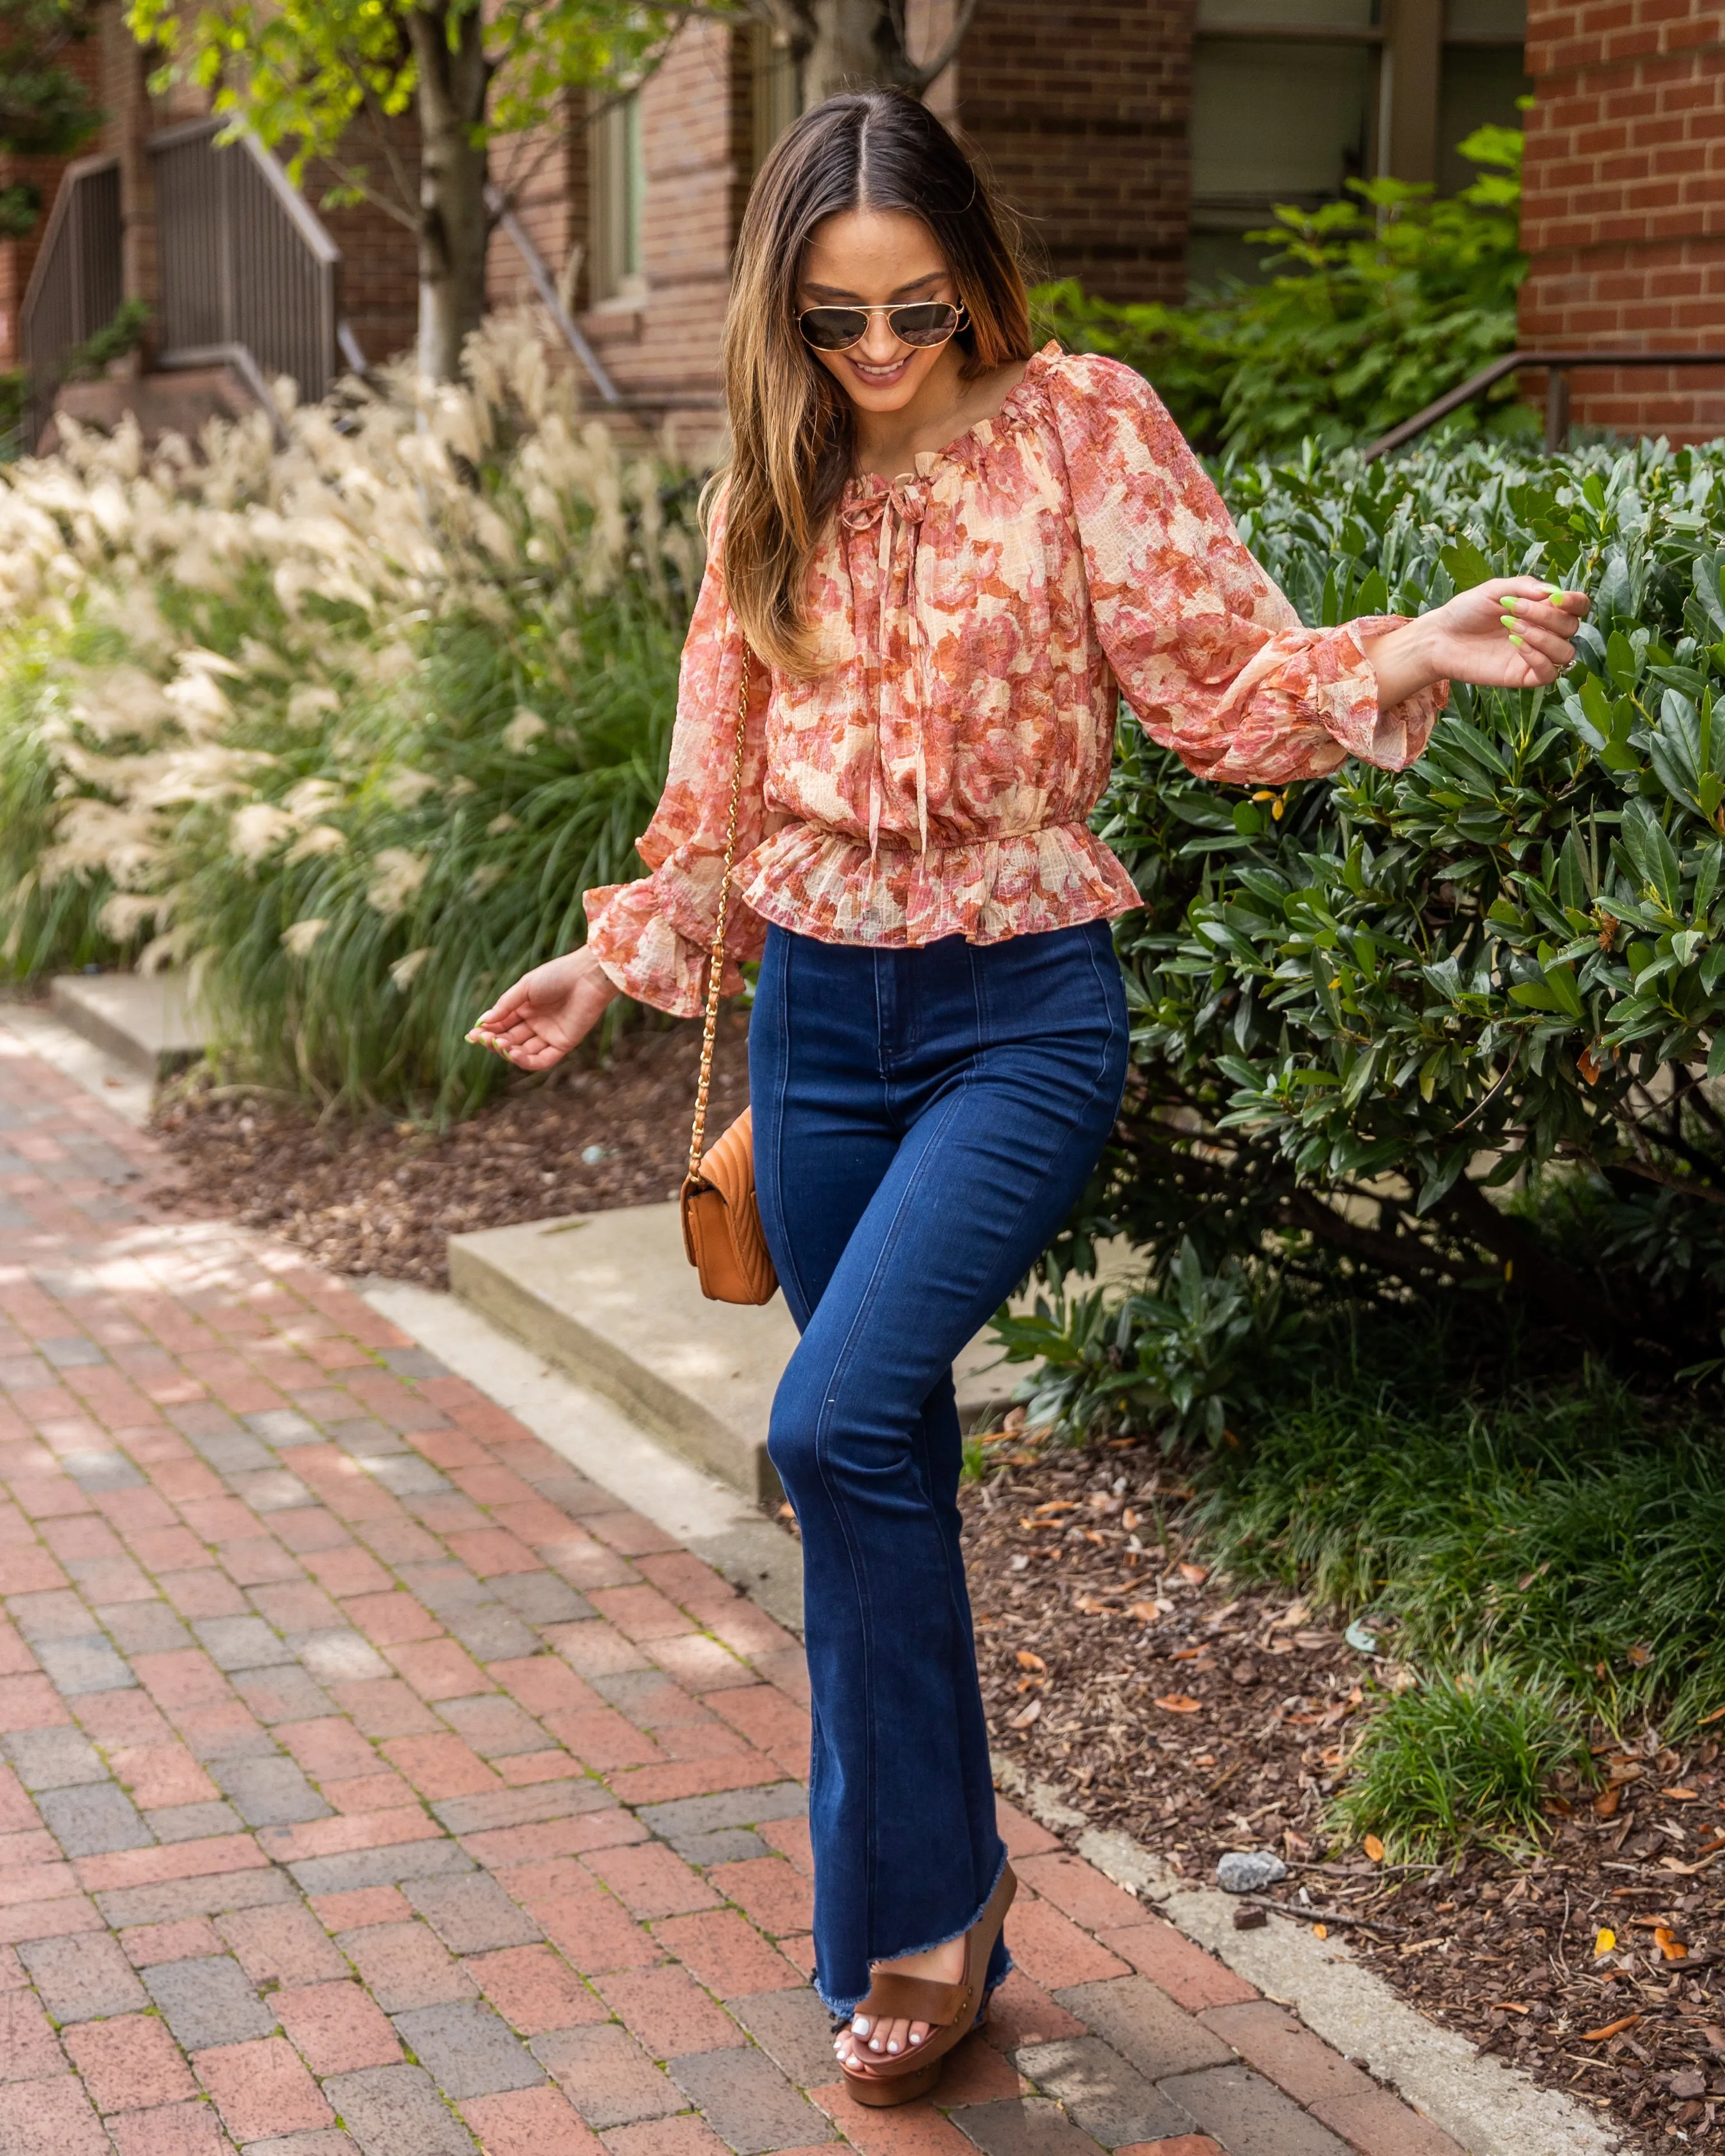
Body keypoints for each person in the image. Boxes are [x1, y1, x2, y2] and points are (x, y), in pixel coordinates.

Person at [467, 90, 1587, 2109]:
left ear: (977, 277)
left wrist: (1400, 646)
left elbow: (1215, 681)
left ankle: (902, 1930)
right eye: (835, 320)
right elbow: (722, 814)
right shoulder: (765, 496)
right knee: (877, 1458)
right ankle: (952, 1893)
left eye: (916, 310)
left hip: (1016, 1013)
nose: (881, 356)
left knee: (824, 1421)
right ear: (782, 316)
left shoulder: (1080, 423)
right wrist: (611, 955)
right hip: (814, 1019)